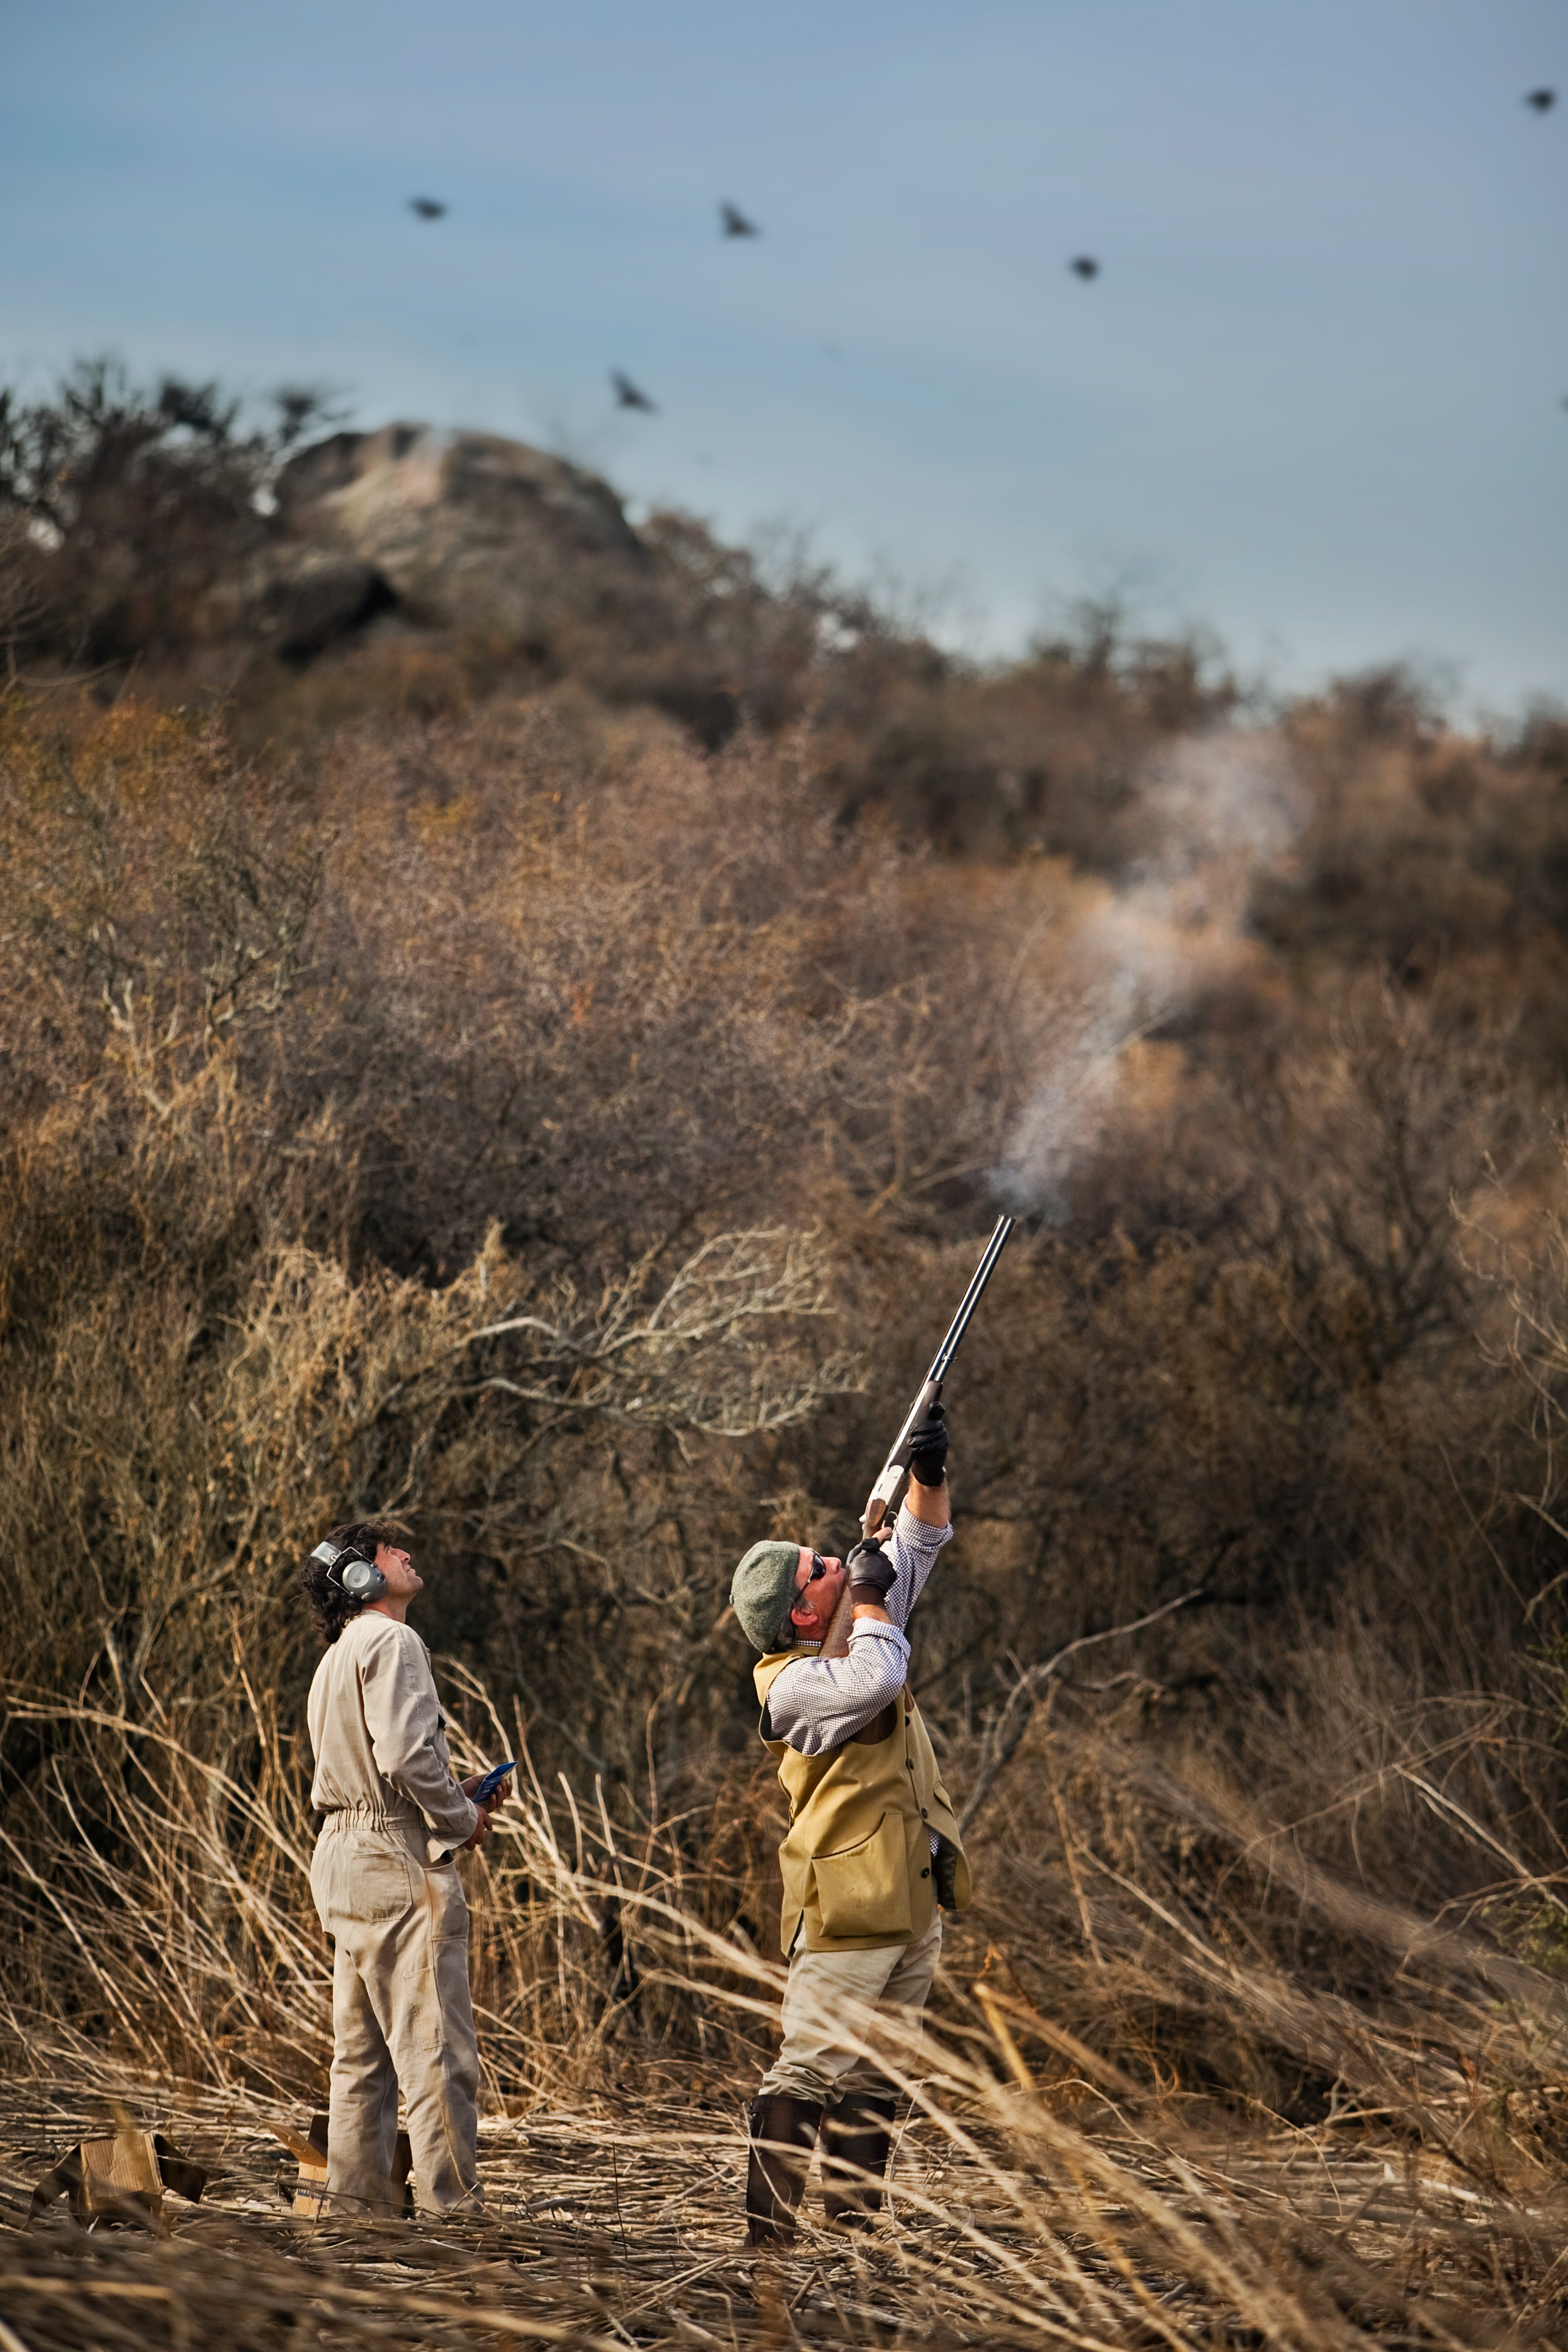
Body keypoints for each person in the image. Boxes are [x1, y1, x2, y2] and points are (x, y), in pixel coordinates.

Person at [729, 1406, 971, 2247]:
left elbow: (921, 1542)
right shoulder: (789, 1688)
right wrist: (868, 1593)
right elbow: (874, 1672)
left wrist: (927, 1475)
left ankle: (856, 2242)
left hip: (906, 1903)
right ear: (802, 1615)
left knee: (876, 2075)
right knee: (807, 2069)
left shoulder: (855, 1615)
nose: (838, 1560)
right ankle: (767, 2254)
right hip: (846, 1912)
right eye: (821, 1568)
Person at [300, 1517, 509, 2219]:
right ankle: (458, 2218)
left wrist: (455, 1791)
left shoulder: (336, 1656)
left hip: (342, 1856)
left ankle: (355, 2221)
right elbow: (407, 1759)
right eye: (393, 1550)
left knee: (359, 2060)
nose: (409, 1555)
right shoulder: (393, 1640)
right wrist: (463, 1818)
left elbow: (382, 1766)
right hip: (392, 1859)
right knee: (436, 2054)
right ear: (362, 1575)